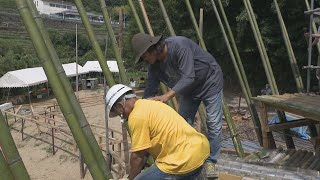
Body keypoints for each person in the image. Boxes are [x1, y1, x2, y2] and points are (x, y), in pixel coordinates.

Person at [131, 33, 223, 177]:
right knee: (181, 123)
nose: (145, 60)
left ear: (153, 48)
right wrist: (137, 110)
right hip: (189, 91)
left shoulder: (179, 45)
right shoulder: (154, 67)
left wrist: (166, 96)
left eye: (144, 56)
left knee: (213, 124)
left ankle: (211, 162)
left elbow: (189, 76)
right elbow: (150, 90)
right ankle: (186, 161)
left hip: (210, 82)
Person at [105, 84, 209, 180]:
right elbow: (145, 147)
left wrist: (130, 178)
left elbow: (137, 157)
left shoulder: (136, 117)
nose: (122, 116)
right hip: (201, 149)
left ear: (120, 106)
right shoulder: (151, 103)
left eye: (119, 114)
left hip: (182, 160)